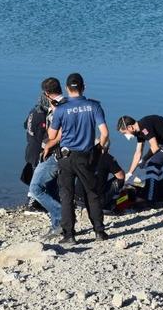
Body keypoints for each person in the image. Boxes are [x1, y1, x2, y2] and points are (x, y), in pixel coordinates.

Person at [47, 73, 110, 244]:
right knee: (92, 193)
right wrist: (99, 149)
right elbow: (104, 133)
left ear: (67, 88)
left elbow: (51, 135)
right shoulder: (94, 106)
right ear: (84, 87)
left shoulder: (60, 109)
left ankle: (69, 235)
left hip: (66, 157)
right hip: (86, 156)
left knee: (67, 195)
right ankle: (99, 232)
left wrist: (54, 113)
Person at [27, 77, 65, 236]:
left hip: (56, 154)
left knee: (35, 188)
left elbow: (61, 134)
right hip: (63, 153)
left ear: (46, 93)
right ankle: (58, 224)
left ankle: (62, 217)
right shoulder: (68, 104)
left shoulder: (59, 108)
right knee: (50, 188)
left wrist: (47, 146)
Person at [116, 115, 163, 184]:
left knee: (153, 164)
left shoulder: (144, 127)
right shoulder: (139, 131)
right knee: (156, 164)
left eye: (124, 133)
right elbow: (138, 152)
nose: (125, 136)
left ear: (130, 127)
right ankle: (162, 190)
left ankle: (151, 189)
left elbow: (155, 147)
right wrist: (130, 173)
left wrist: (144, 159)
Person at [75, 146, 125, 212]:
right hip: (96, 202)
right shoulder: (107, 157)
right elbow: (121, 176)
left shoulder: (82, 155)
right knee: (120, 180)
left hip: (78, 199)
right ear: (107, 149)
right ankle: (111, 200)